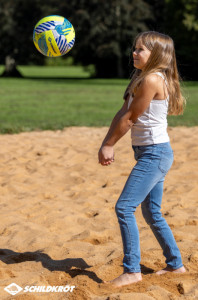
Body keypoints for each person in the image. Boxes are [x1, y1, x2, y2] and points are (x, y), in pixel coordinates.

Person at [98, 31, 186, 288]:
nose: (134, 53)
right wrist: (106, 142)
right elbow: (122, 112)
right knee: (152, 211)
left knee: (124, 207)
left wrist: (110, 145)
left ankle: (132, 271)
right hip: (152, 153)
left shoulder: (151, 80)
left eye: (140, 50)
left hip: (155, 153)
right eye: (134, 49)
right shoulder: (141, 77)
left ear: (156, 55)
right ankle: (176, 265)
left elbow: (130, 119)